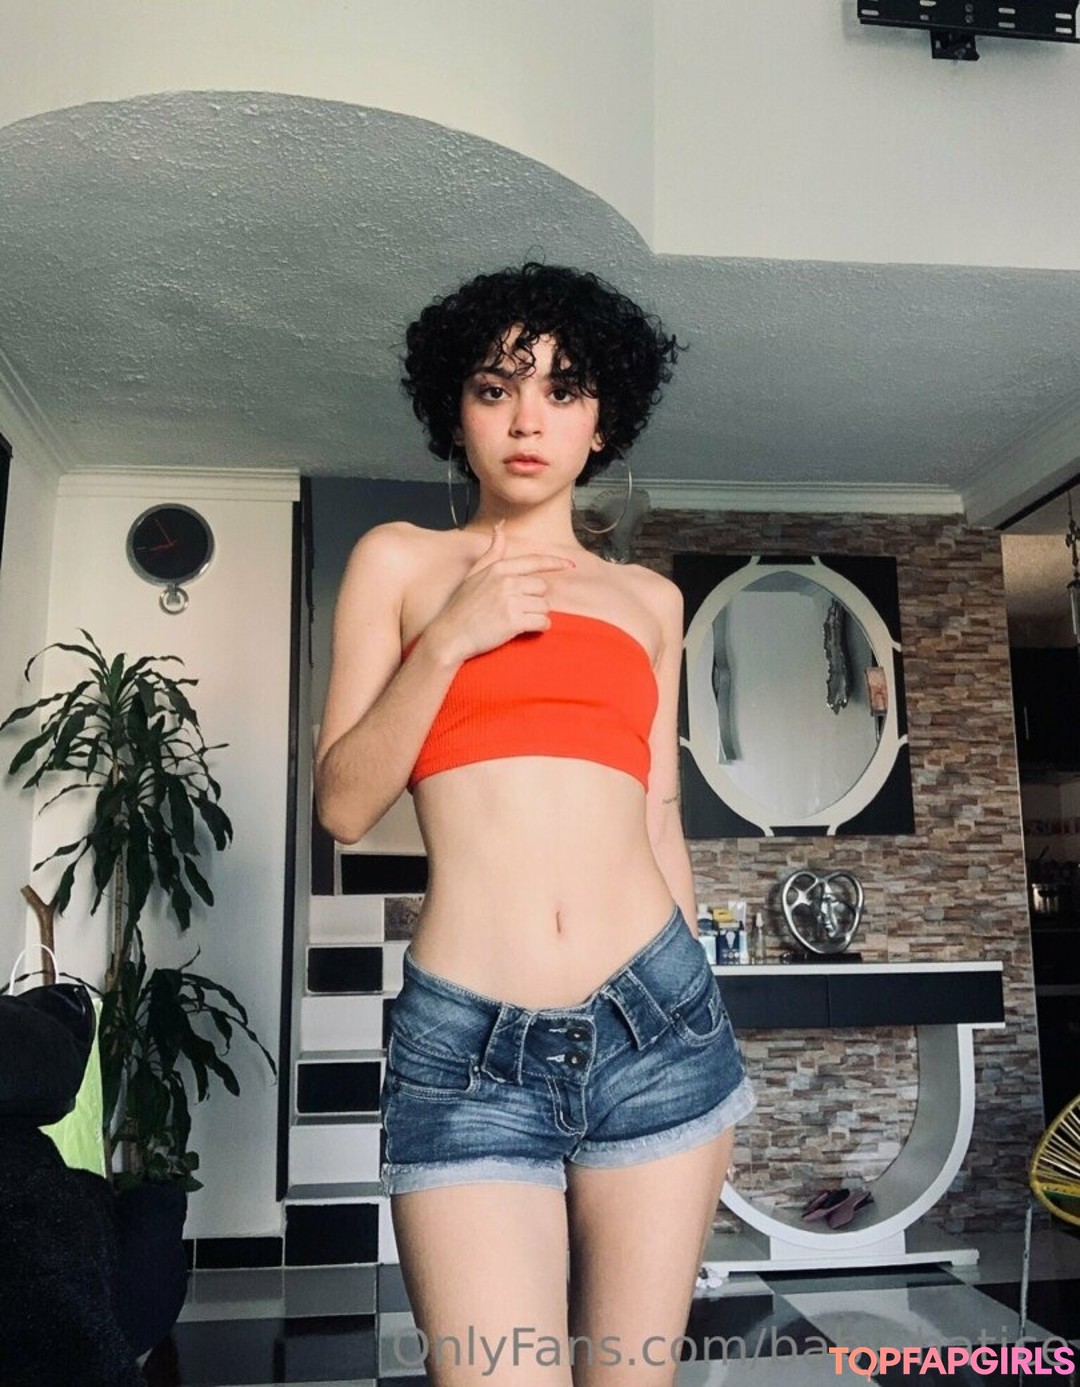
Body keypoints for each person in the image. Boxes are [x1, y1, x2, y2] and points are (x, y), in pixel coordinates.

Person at [315, 262, 755, 1385]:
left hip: (660, 1025)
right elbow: (344, 803)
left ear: (602, 421)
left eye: (562, 390)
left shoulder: (649, 601)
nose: (526, 420)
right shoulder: (401, 562)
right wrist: (451, 639)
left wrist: (703, 1012)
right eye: (494, 387)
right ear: (453, 410)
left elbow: (658, 812)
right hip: (467, 1050)